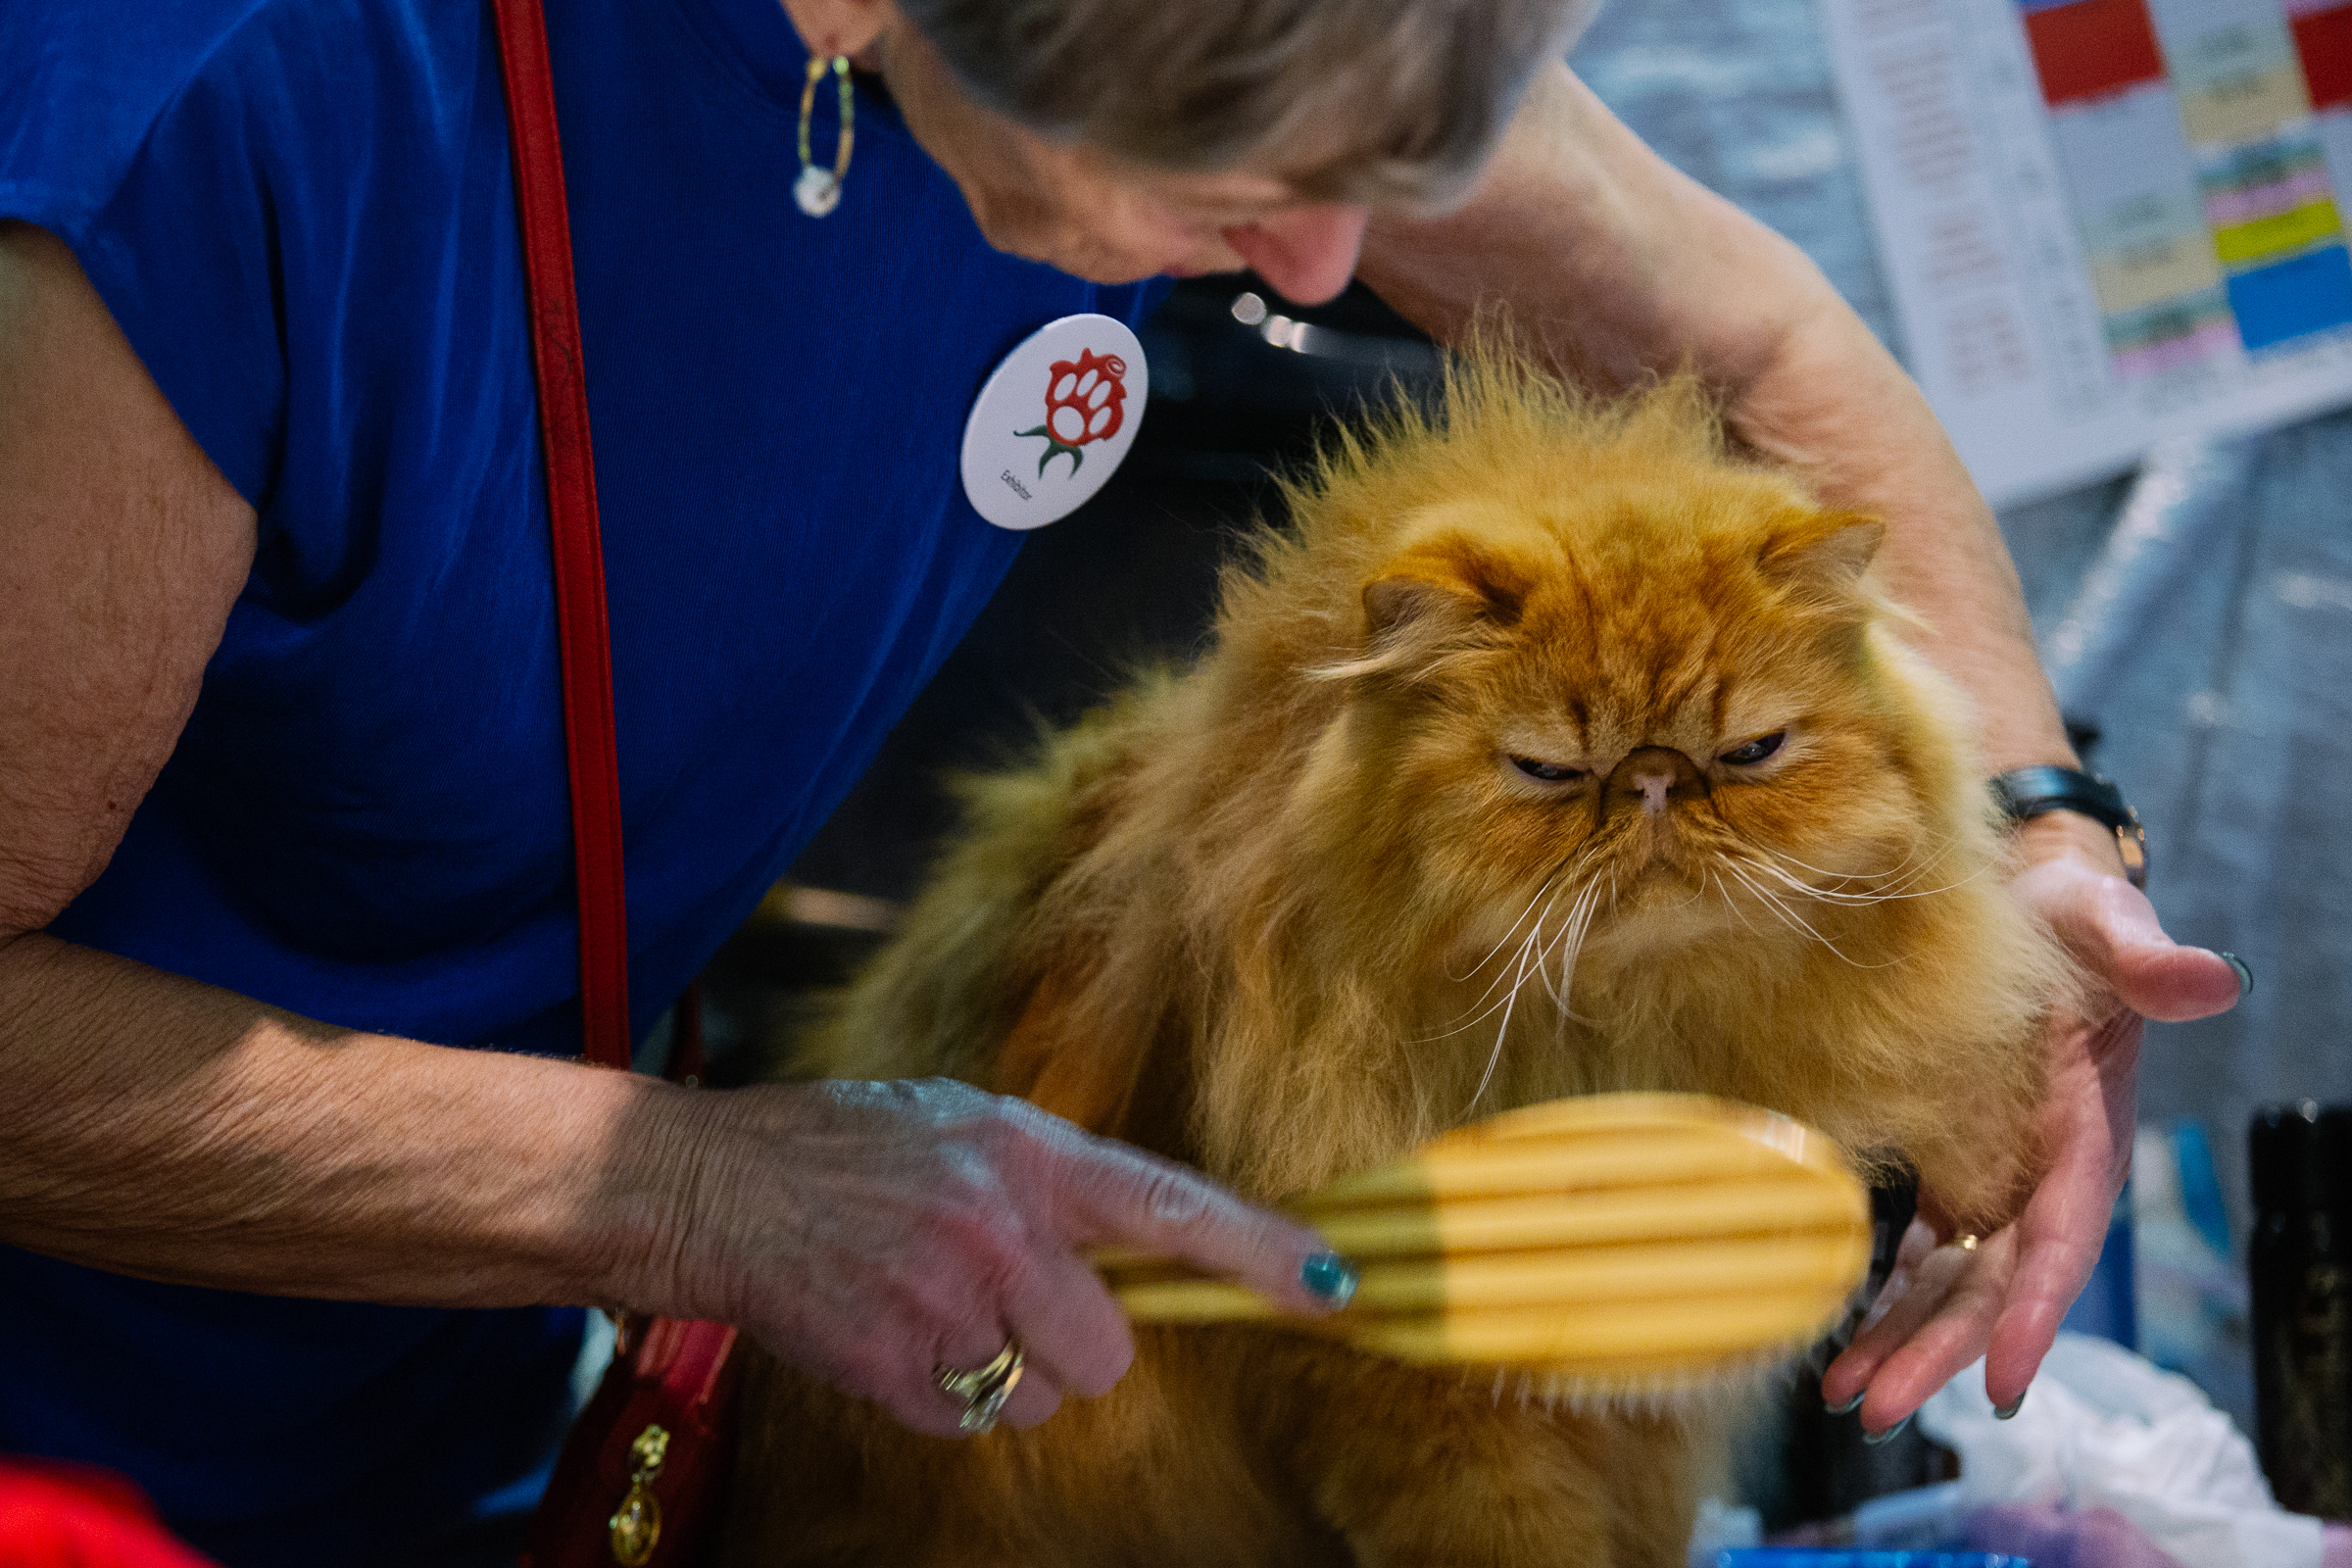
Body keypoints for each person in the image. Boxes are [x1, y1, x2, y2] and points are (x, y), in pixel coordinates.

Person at [0, 0, 2245, 1556]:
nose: (1329, 272)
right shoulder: (210, 117)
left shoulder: (1206, 59)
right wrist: (695, 1190)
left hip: (456, 1398)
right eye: (1253, 188)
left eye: (1385, 177)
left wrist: (2034, 838)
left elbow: (1751, 349)